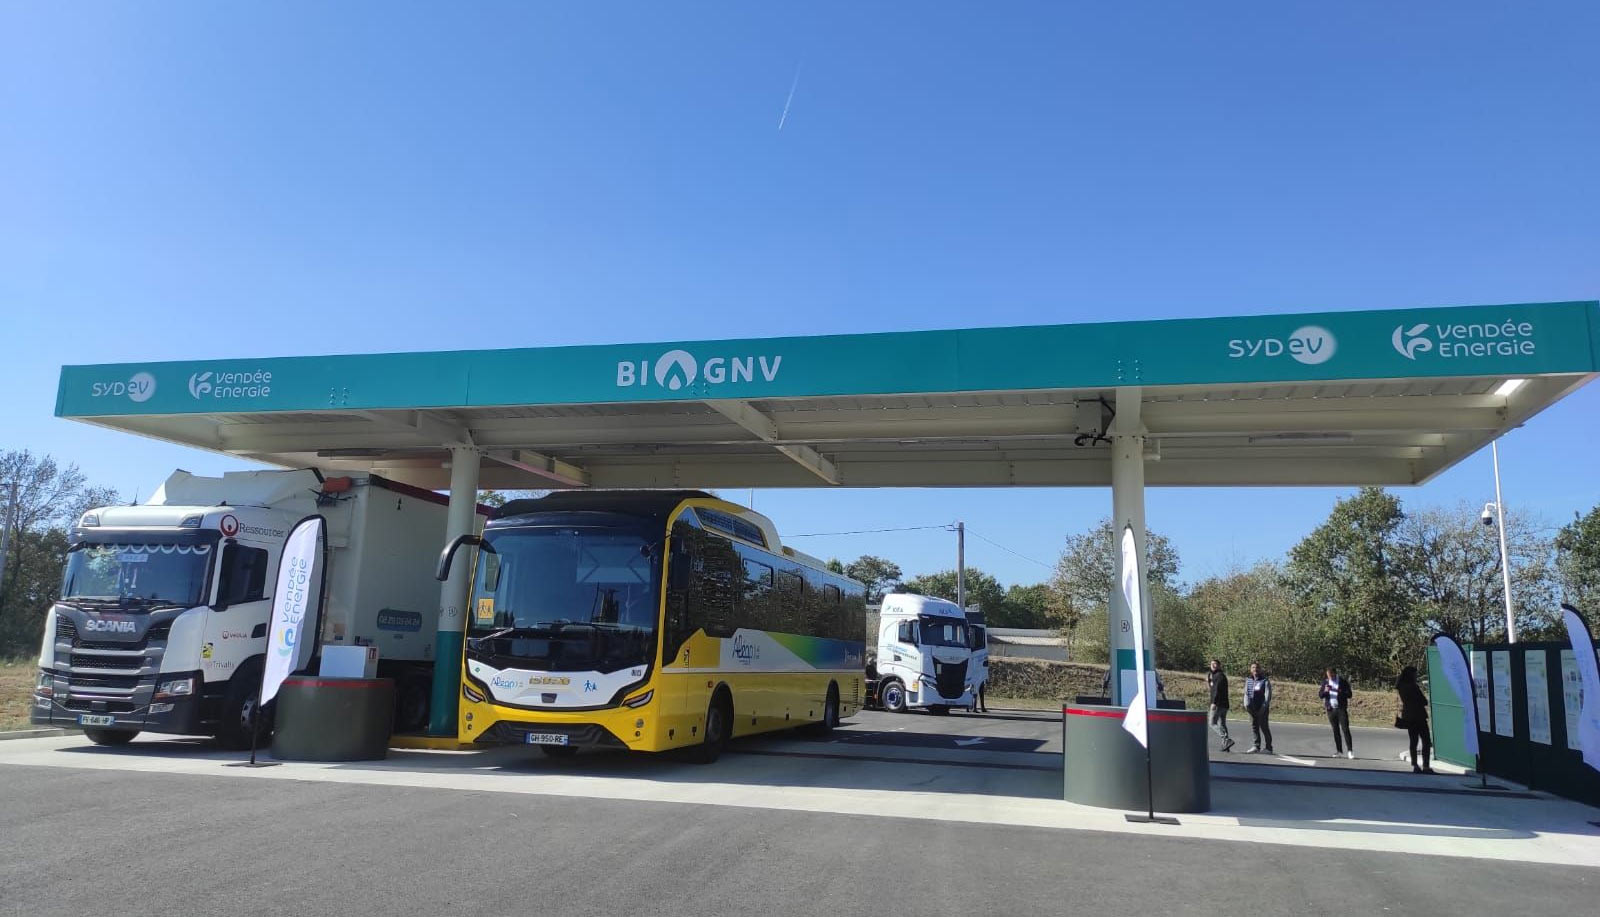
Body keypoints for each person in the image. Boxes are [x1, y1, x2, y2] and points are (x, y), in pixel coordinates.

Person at [1396, 665, 1435, 774]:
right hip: (1419, 716)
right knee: (1426, 741)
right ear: (1411, 675)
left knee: (1413, 741)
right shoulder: (1413, 687)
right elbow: (1423, 701)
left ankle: (1415, 765)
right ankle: (1426, 766)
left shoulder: (1401, 686)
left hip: (1408, 716)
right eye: (1415, 674)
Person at [1319, 666, 1355, 759]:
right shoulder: (1326, 682)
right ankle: (1339, 751)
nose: (1329, 677)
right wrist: (1325, 691)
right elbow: (1321, 695)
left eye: (1331, 675)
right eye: (1328, 675)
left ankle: (1350, 751)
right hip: (1330, 709)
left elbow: (1349, 694)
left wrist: (1339, 691)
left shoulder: (1342, 682)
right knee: (1335, 730)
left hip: (1341, 709)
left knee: (1345, 729)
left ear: (1334, 673)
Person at [1243, 662, 1273, 754]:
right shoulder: (1248, 680)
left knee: (1264, 727)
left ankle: (1268, 748)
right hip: (1252, 708)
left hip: (1262, 708)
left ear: (1260, 669)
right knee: (1254, 727)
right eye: (1253, 667)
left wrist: (1263, 708)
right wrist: (1246, 706)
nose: (1255, 669)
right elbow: (1246, 694)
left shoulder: (1265, 681)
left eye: (1257, 668)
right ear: (1250, 669)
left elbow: (1267, 696)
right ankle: (1256, 746)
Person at [1207, 659, 1235, 752]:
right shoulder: (1217, 675)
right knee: (1222, 724)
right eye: (1212, 664)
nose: (1213, 665)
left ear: (1219, 666)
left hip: (1218, 704)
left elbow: (1216, 690)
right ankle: (1225, 745)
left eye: (1215, 664)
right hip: (1224, 704)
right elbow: (1212, 687)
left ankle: (1226, 739)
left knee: (1212, 723)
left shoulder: (1218, 676)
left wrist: (1214, 703)